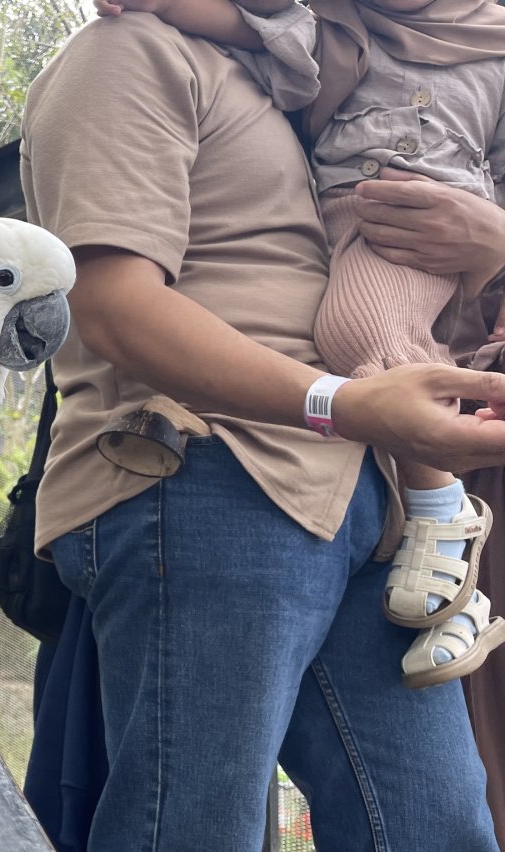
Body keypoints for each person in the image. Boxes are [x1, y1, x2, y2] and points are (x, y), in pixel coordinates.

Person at [20, 12, 505, 852]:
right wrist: (345, 401)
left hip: (365, 518)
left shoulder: (313, 98)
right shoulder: (130, 55)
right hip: (199, 476)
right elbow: (110, 305)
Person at [91, 0, 505, 690]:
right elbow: (259, 25)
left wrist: (493, 238)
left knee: (355, 329)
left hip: (419, 228)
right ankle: (452, 560)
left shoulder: (495, 47)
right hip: (335, 253)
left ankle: (442, 511)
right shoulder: (337, 27)